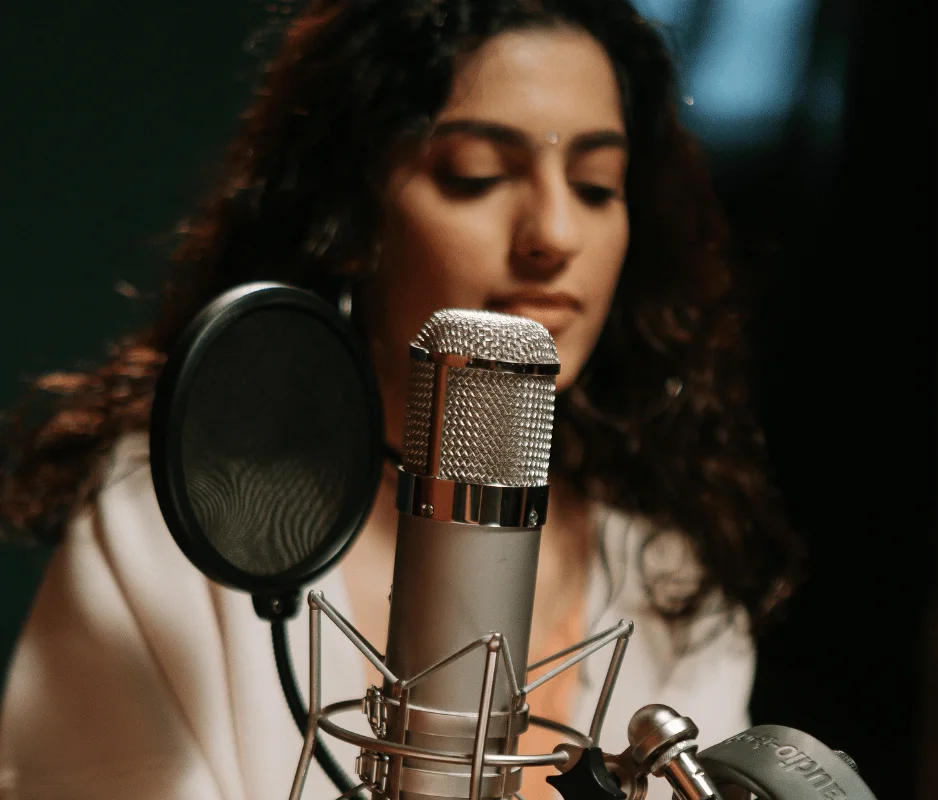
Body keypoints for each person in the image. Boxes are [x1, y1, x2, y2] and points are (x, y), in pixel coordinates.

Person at [0, 1, 803, 798]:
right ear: (352, 221)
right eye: (476, 176)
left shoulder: (669, 574)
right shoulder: (178, 521)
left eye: (596, 186)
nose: (555, 233)